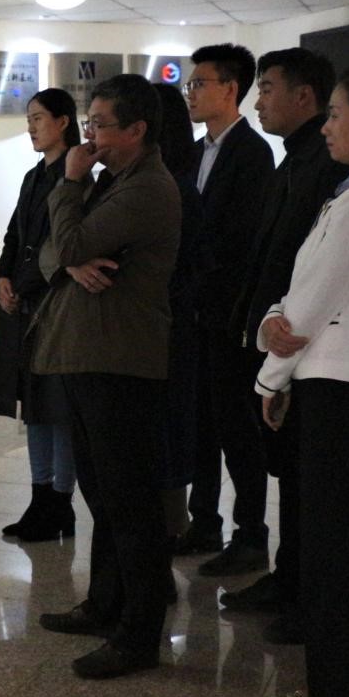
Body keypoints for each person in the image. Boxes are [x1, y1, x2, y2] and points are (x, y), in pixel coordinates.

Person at [255, 61, 349, 697]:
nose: (327, 128)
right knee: (348, 545)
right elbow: (301, 293)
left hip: (341, 388)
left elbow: (309, 307)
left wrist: (268, 377)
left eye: (337, 115)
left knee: (339, 552)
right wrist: (274, 318)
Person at [31, 74, 181, 680]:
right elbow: (51, 249)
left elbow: (66, 242)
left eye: (99, 125)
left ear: (136, 130)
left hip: (120, 359)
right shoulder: (112, 183)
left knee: (130, 500)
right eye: (88, 122)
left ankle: (138, 635)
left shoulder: (145, 188)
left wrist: (69, 185)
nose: (88, 135)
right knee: (102, 492)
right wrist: (70, 259)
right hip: (90, 352)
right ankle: (104, 604)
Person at [219, 49, 349, 646]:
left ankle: (306, 593)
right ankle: (289, 577)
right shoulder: (292, 161)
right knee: (289, 475)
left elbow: (309, 271)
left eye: (267, 89)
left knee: (304, 480)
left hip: (301, 348)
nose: (258, 101)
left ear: (305, 96)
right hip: (272, 340)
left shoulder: (324, 167)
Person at [177, 43, 276, 577]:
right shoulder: (197, 152)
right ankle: (204, 521)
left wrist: (196, 275)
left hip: (228, 312)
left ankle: (251, 533)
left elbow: (237, 239)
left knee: (237, 427)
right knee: (201, 423)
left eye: (199, 83)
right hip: (195, 311)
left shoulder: (252, 153)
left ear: (230, 89)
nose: (190, 92)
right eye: (190, 84)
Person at [0, 88, 78, 542]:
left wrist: (25, 284)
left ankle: (61, 501)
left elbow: (62, 245)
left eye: (38, 118)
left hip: (55, 306)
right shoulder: (32, 176)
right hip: (24, 303)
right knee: (34, 406)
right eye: (29, 119)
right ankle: (40, 496)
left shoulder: (77, 175)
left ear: (63, 122)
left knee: (59, 409)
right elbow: (13, 235)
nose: (31, 127)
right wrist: (2, 278)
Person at [152, 83, 202, 547]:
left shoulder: (171, 188)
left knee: (165, 429)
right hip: (166, 324)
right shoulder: (174, 182)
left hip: (164, 327)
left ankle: (170, 530)